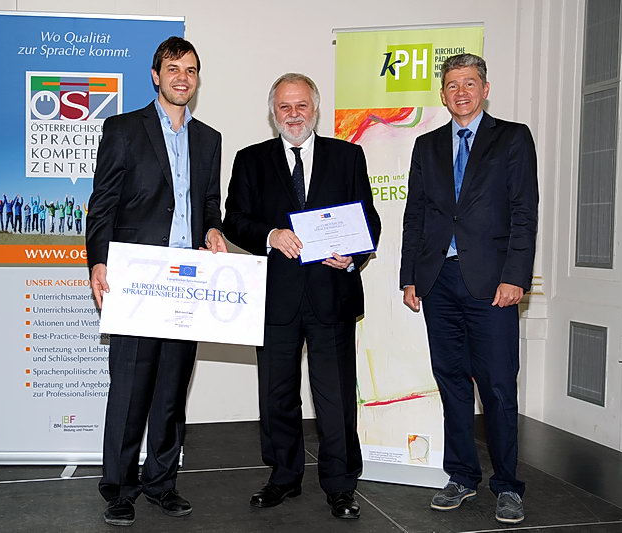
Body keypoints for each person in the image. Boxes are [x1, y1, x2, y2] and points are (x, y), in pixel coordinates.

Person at [223, 73, 380, 520]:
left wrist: (352, 255)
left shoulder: (347, 156)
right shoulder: (250, 159)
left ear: (315, 108)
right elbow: (234, 219)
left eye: (301, 106)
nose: (294, 114)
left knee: (335, 397)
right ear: (273, 113)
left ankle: (341, 485)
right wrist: (270, 235)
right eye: (285, 107)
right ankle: (283, 476)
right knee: (277, 396)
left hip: (332, 294)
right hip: (275, 298)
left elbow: (368, 219)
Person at [85, 36, 227, 527]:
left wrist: (213, 229)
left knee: (171, 391)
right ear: (155, 75)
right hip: (136, 278)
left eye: (190, 70)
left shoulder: (209, 139)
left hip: (187, 282)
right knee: (129, 390)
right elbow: (103, 203)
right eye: (173, 69)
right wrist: (98, 262)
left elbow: (209, 205)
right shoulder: (123, 129)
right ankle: (119, 489)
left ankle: (162, 483)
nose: (182, 78)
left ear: (197, 78)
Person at [399, 53, 538, 525]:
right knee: (452, 382)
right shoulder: (427, 145)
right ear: (443, 94)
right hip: (438, 281)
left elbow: (524, 213)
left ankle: (508, 485)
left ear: (485, 89)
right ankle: (461, 476)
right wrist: (409, 275)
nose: (461, 92)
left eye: (470, 83)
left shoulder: (513, 138)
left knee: (497, 386)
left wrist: (515, 276)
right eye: (453, 85)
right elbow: (416, 215)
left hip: (492, 284)